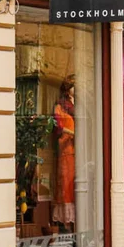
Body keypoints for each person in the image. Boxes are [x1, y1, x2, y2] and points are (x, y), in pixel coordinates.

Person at [52, 76, 75, 231]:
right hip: (66, 149)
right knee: (66, 185)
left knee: (74, 185)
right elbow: (58, 127)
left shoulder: (76, 105)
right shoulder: (60, 107)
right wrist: (71, 133)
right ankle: (65, 224)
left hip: (76, 150)